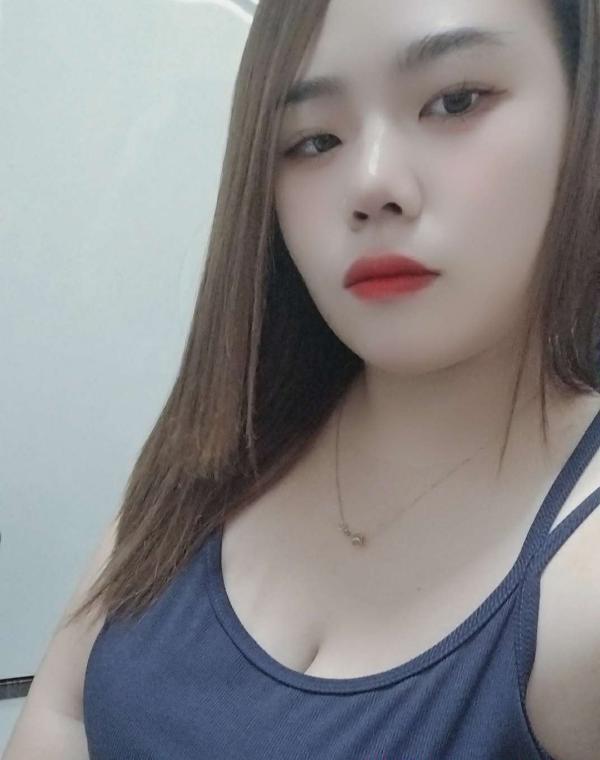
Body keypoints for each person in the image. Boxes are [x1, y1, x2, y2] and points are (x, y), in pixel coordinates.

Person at [5, 0, 600, 758]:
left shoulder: (580, 590)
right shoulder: (223, 436)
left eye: (455, 101)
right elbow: (63, 711)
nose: (372, 183)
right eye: (314, 140)